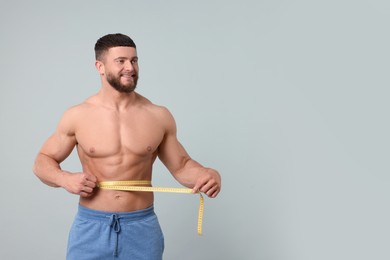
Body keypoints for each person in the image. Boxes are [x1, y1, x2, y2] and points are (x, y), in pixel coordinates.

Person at [33, 33, 221, 260]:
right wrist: (65, 179)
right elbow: (42, 161)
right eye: (120, 61)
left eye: (134, 60)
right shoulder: (78, 116)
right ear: (100, 67)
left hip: (141, 227)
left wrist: (206, 174)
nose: (130, 67)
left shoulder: (158, 115)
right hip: (91, 226)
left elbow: (181, 166)